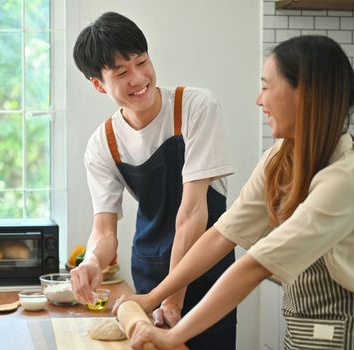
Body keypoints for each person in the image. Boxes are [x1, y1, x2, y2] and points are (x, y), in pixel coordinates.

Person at [114, 34, 354, 350]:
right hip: (303, 326)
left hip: (347, 333)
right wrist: (152, 297)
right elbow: (220, 235)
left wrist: (175, 335)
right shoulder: (281, 158)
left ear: (304, 95)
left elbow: (254, 265)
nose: (259, 99)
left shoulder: (345, 178)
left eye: (267, 86)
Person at [70, 11, 237, 349]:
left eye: (141, 62)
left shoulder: (195, 107)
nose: (138, 78)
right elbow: (104, 231)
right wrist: (91, 261)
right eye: (121, 72)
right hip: (148, 274)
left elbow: (192, 212)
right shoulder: (103, 142)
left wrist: (173, 299)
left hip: (207, 276)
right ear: (99, 84)